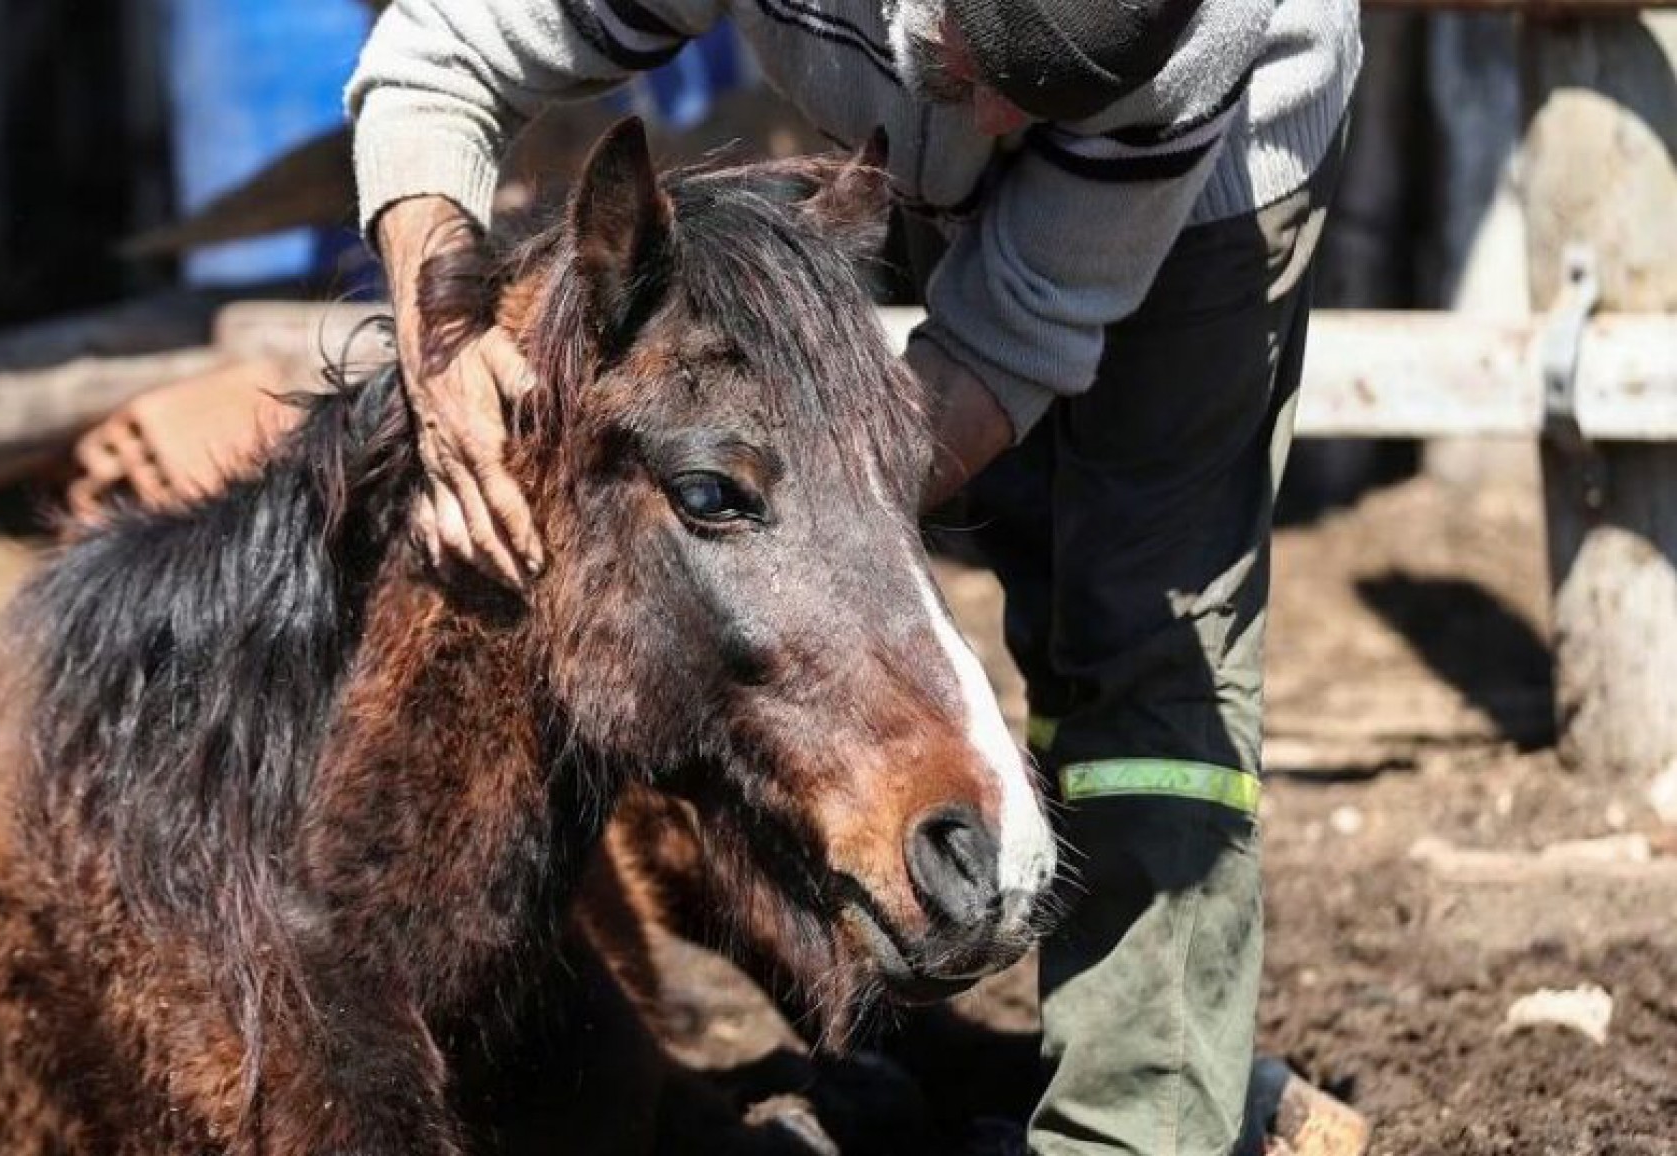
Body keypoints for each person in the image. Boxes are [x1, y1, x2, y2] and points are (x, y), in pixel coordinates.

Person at [93, 0, 1368, 1151]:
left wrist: (795, 502)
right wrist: (444, 355)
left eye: (1043, 107)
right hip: (909, 112)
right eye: (981, 75)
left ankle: (1136, 1126)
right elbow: (437, 58)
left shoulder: (1196, 55)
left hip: (1204, 184)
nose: (995, 134)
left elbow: (1020, 330)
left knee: (1143, 632)